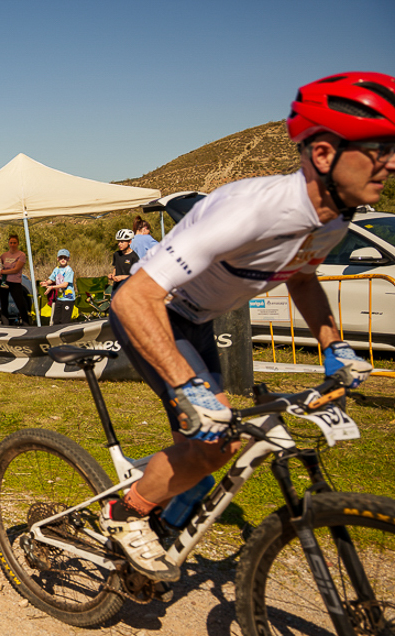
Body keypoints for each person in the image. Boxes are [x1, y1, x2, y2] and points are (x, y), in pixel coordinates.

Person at [103, 71, 392, 582]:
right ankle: (125, 515)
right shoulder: (249, 212)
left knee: (212, 446)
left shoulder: (333, 218)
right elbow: (133, 297)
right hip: (154, 313)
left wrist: (334, 346)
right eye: (378, 149)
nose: (390, 162)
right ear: (323, 154)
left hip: (198, 320)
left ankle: (160, 504)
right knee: (215, 446)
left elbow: (302, 278)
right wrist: (188, 387)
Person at [0, 233, 32, 323]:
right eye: (11, 242)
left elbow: (16, 270)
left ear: (18, 243)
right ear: (8, 243)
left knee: (20, 303)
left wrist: (2, 272)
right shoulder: (4, 255)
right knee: (4, 304)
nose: (12, 245)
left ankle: (26, 322)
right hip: (3, 281)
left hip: (15, 283)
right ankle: (5, 322)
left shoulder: (21, 255)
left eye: (14, 243)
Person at [42, 249, 76, 325]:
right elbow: (51, 279)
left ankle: (65, 331)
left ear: (68, 259)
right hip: (60, 298)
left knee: (65, 320)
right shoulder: (56, 269)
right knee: (56, 319)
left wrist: (52, 287)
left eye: (65, 257)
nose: (63, 259)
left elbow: (65, 284)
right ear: (58, 259)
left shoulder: (69, 270)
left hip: (68, 298)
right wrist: (46, 283)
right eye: (61, 257)